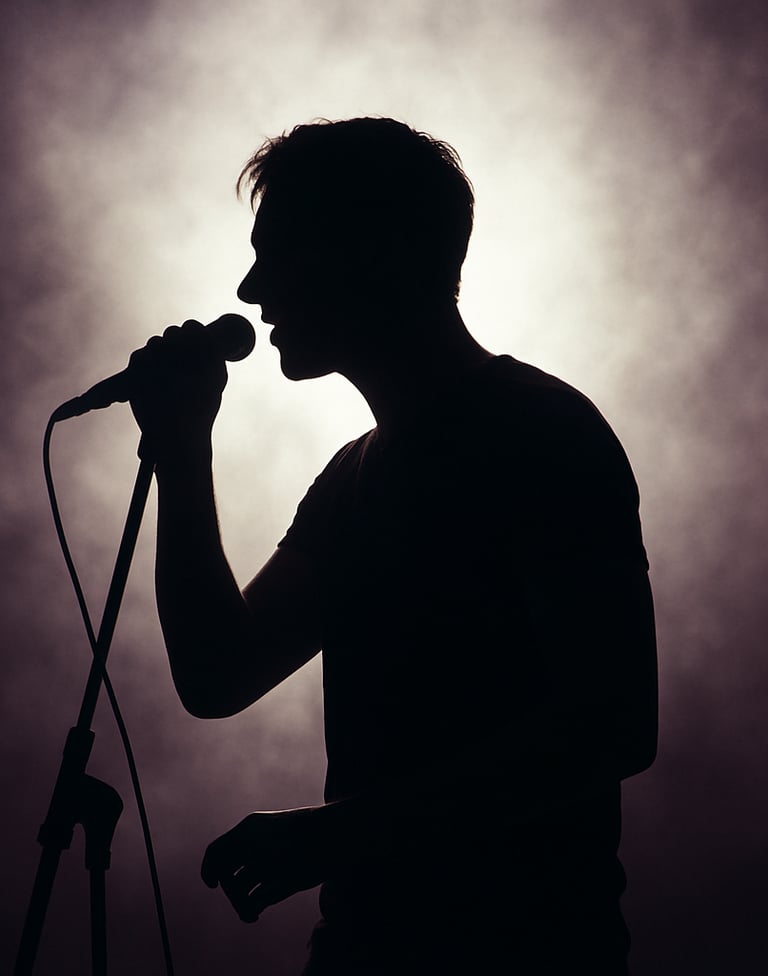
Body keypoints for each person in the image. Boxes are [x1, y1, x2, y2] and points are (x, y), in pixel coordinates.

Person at [129, 117, 658, 974]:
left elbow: (613, 727)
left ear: (366, 251)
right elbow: (218, 672)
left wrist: (339, 834)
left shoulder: (540, 430)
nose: (252, 288)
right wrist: (187, 447)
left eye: (278, 251)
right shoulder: (354, 476)